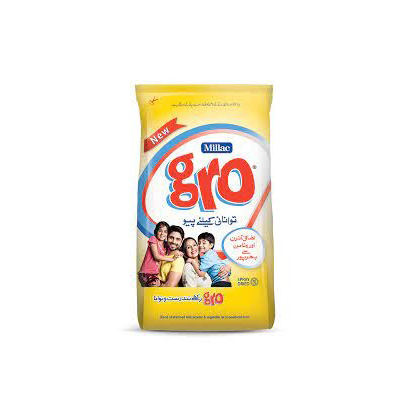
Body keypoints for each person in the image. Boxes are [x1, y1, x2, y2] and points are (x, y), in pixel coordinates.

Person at [138, 221, 177, 287]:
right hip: (147, 273)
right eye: (160, 231)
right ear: (156, 231)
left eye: (165, 231)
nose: (162, 233)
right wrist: (171, 259)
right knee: (156, 286)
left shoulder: (165, 245)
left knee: (163, 286)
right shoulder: (153, 239)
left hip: (155, 274)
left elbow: (173, 250)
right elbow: (156, 256)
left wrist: (179, 252)